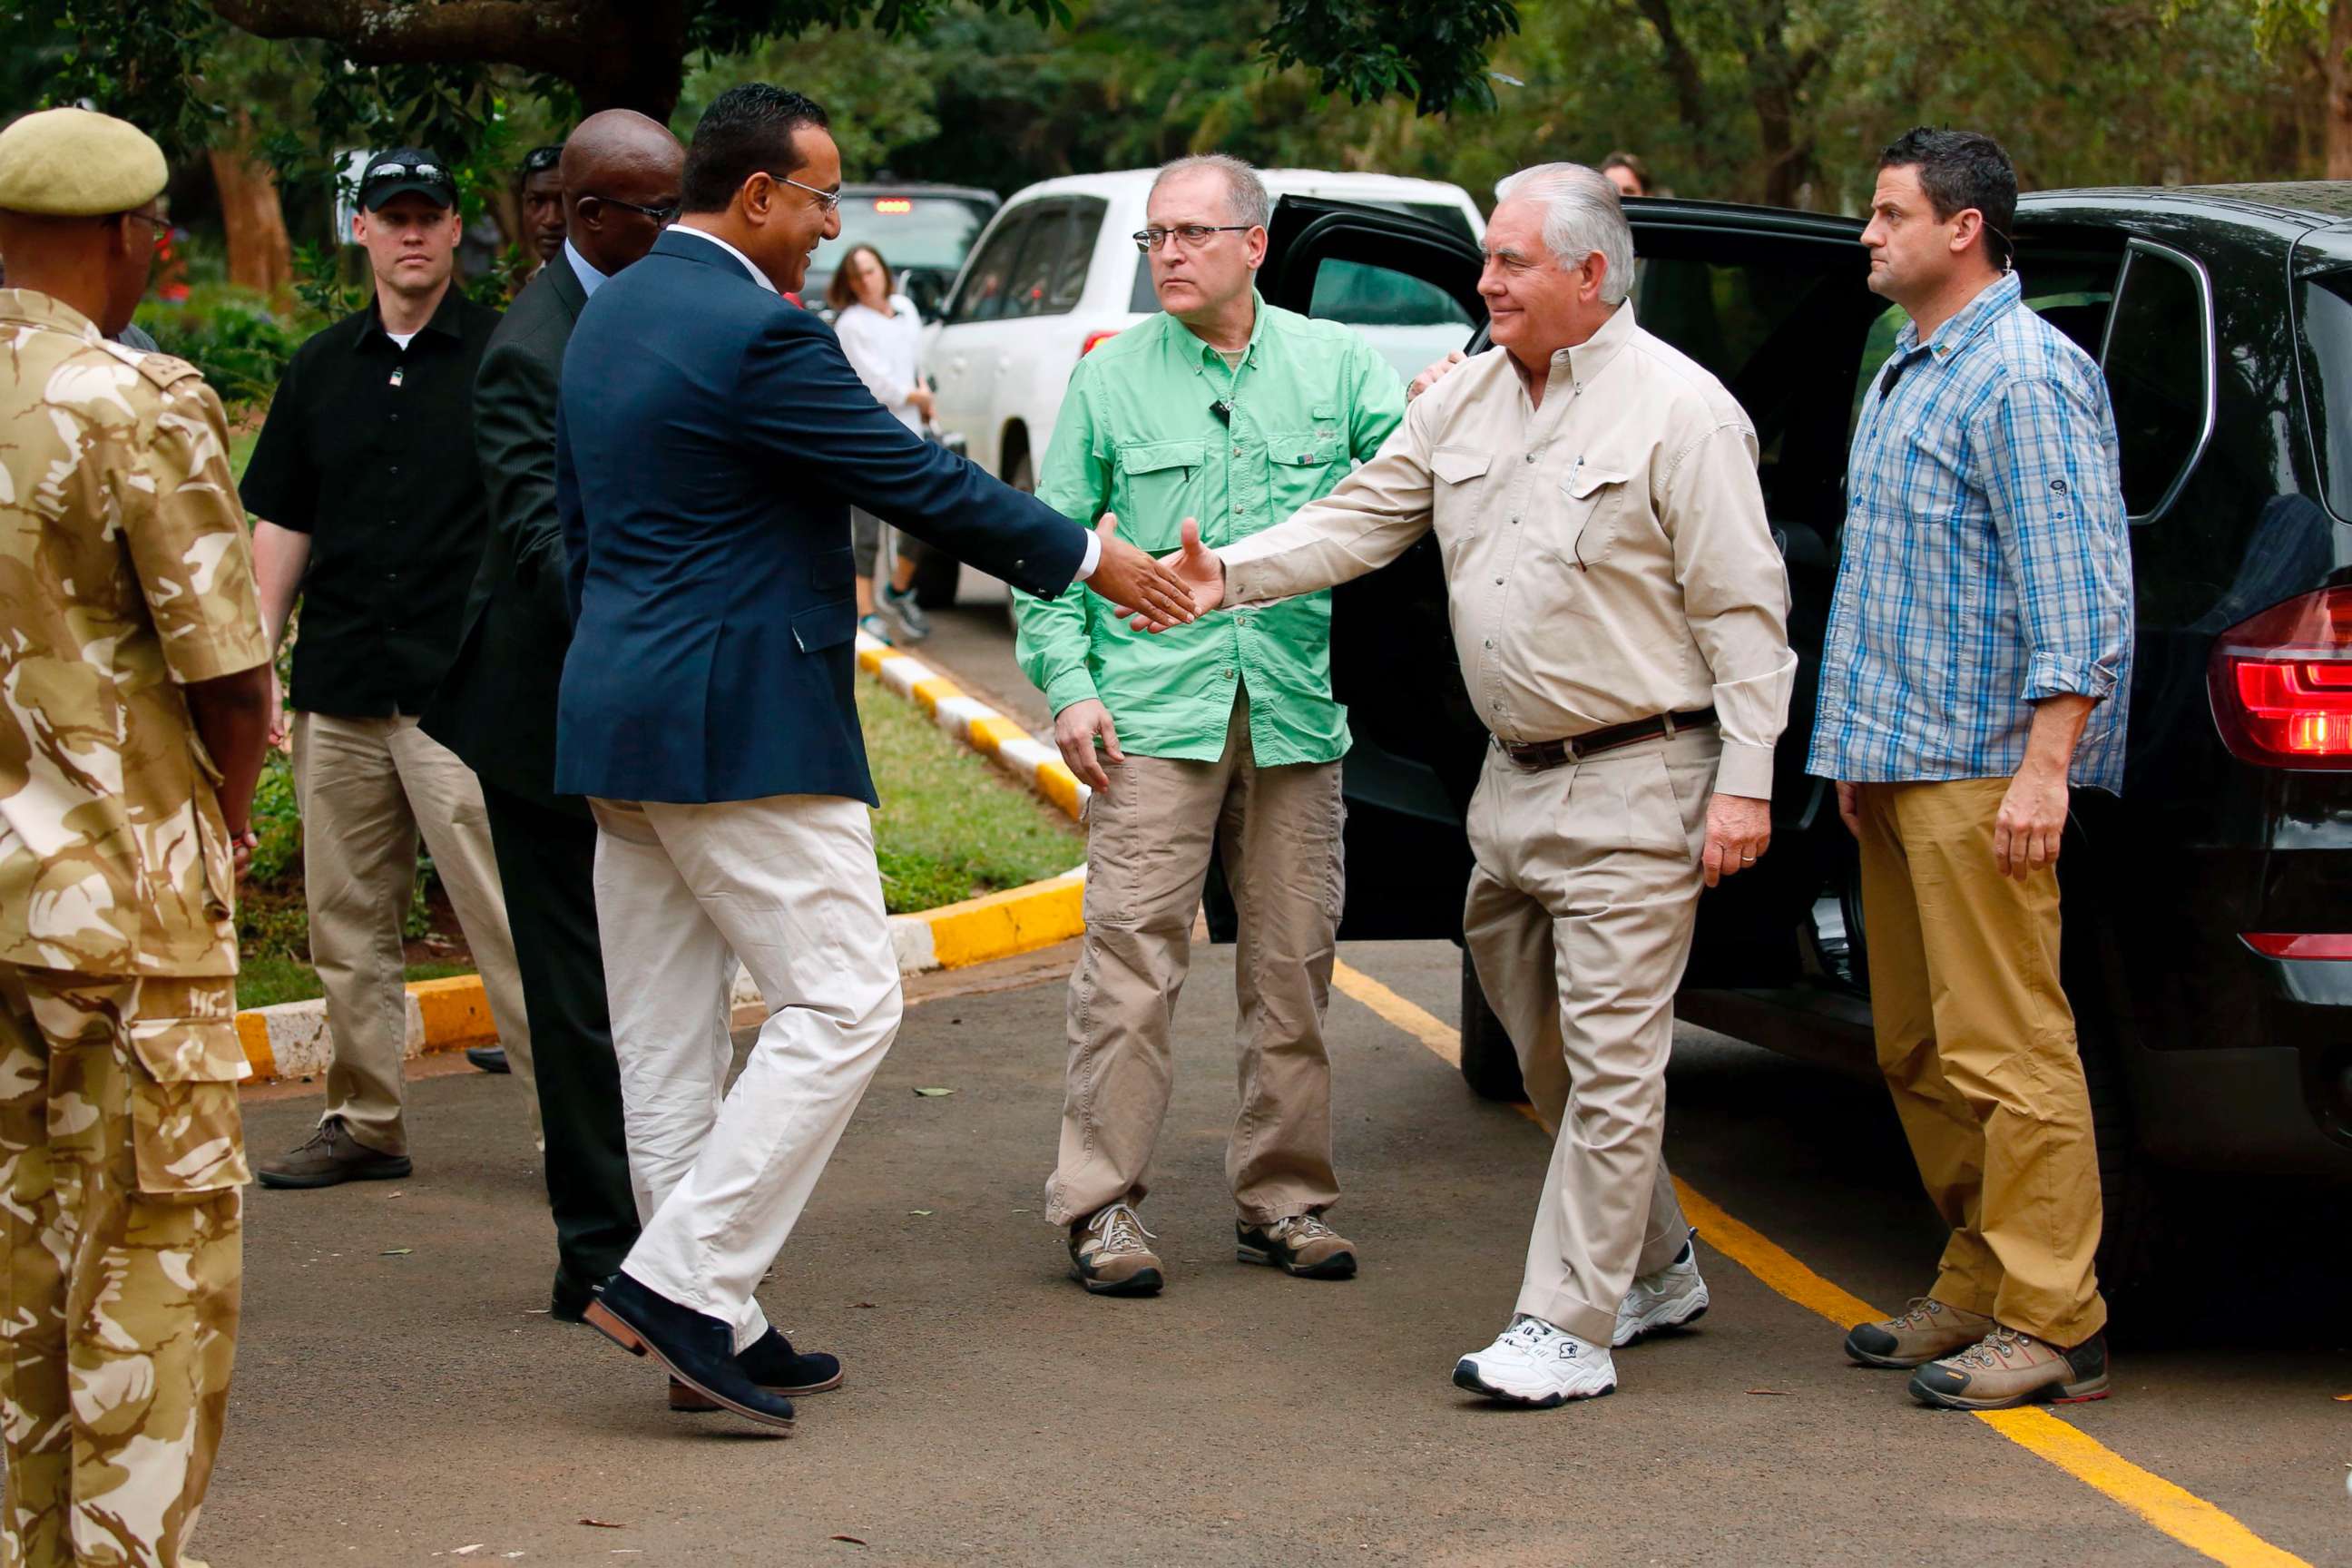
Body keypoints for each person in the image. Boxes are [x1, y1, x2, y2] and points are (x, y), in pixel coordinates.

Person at [556, 83, 1196, 1429]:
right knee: (847, 1002)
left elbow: (577, 527)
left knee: (668, 1044)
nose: (835, 220)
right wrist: (1092, 556)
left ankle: (706, 1322)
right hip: (743, 730)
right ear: (756, 200)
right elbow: (912, 480)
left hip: (617, 717)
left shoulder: (611, 312)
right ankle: (681, 1287)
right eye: (823, 196)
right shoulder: (758, 331)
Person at [1130, 162, 1795, 1408]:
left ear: (1591, 277)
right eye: (1487, 260)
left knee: (1610, 1063)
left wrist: (1746, 786)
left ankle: (1567, 1323)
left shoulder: (1682, 412)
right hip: (1514, 790)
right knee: (1544, 1054)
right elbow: (1361, 517)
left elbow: (1748, 618)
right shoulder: (1470, 400)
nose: (1483, 282)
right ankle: (1655, 1266)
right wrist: (1227, 573)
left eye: (1509, 263)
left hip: (1643, 777)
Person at [1014, 153, 1404, 1296]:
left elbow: (1418, 489)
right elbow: (1049, 552)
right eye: (1154, 239)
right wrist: (1070, 685)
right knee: (1130, 965)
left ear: (1254, 244)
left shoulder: (1338, 369)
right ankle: (1101, 1207)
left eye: (1189, 235)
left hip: (1292, 708)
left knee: (1294, 967)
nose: (1167, 257)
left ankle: (1283, 1199)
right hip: (1150, 711)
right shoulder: (1113, 375)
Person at [1818, 128, 2131, 1412]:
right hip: (1895, 766)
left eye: (1890, 214)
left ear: (1965, 229)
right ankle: (1980, 1278)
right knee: (1918, 1048)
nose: (1868, 234)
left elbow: (2079, 592)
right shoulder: (1911, 367)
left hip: (1984, 772)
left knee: (2010, 1051)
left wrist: (2046, 769)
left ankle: (2059, 1317)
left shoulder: (2022, 375)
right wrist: (1850, 753)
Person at [0, 106, 271, 1568]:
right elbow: (229, 675)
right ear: (128, 238)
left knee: (16, 1268)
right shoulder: (132, 398)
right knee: (149, 1280)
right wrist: (219, 839)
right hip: (123, 919)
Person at [422, 110, 686, 1332]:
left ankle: (666, 1227)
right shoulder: (535, 347)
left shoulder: (648, 304)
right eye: (657, 211)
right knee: (580, 995)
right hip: (546, 721)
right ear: (587, 219)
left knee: (655, 979)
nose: (678, 230)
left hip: (637, 708)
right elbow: (543, 548)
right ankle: (595, 1252)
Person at [240, 148, 542, 1187]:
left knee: (507, 918)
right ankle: (365, 1120)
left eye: (429, 216)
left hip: (462, 696)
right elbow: (283, 518)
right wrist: (258, 659)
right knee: (346, 923)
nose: (411, 234)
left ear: (458, 231)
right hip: (340, 682)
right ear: (359, 232)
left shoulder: (506, 359)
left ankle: (575, 1136)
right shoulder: (320, 367)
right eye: (391, 217)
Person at [826, 242, 934, 643]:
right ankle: (866, 609)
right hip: (869, 434)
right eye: (857, 275)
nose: (866, 281)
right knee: (867, 531)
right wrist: (914, 395)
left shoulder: (906, 309)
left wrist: (925, 397)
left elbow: (917, 362)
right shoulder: (851, 324)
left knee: (923, 522)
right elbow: (874, 381)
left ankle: (900, 588)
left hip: (912, 432)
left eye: (871, 271)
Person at [518, 144, 567, 273]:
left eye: (563, 201)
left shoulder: (615, 288)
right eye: (536, 201)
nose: (551, 220)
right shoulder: (532, 287)